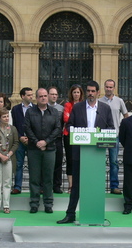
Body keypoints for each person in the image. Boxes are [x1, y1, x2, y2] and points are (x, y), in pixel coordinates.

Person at [57, 81, 114, 224]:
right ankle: (70, 214)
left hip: (97, 154)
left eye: (93, 91)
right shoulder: (78, 107)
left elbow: (110, 128)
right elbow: (69, 125)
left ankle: (94, 214)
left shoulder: (105, 109)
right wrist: (75, 132)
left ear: (98, 93)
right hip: (79, 153)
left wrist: (100, 135)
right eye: (88, 91)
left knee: (95, 185)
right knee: (76, 185)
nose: (90, 93)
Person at [25, 88, 61, 213]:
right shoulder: (30, 112)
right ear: (36, 98)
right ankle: (34, 203)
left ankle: (48, 204)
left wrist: (46, 142)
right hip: (33, 149)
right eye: (41, 96)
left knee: (48, 178)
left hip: (50, 149)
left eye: (45, 96)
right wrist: (37, 142)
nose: (43, 98)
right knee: (34, 178)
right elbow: (27, 128)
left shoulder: (54, 112)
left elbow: (57, 129)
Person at [99, 79, 128, 194]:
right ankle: (99, 184)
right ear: (104, 87)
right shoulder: (99, 101)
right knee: (99, 161)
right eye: (107, 87)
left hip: (114, 136)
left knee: (114, 162)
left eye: (111, 87)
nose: (108, 89)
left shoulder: (119, 101)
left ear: (114, 88)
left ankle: (114, 186)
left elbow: (126, 117)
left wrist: (123, 130)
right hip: (101, 135)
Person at [0, 107, 19, 214]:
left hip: (9, 158)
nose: (6, 118)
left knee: (7, 183)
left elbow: (16, 143)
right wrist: (0, 155)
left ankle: (6, 205)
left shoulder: (13, 129)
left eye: (7, 116)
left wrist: (9, 155)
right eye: (4, 116)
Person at [11, 87, 33, 194]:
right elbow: (14, 125)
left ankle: (33, 186)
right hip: (20, 141)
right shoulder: (15, 109)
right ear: (22, 96)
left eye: (31, 95)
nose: (31, 97)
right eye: (29, 95)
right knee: (18, 164)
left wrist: (31, 137)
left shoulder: (36, 108)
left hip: (32, 141)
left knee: (33, 165)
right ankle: (17, 186)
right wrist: (20, 136)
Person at [62, 84, 84, 193]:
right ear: (71, 94)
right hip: (69, 135)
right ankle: (71, 185)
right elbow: (66, 118)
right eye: (74, 92)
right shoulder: (68, 105)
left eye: (78, 92)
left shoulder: (85, 105)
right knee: (70, 160)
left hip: (83, 136)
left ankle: (80, 184)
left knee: (81, 160)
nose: (76, 94)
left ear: (81, 94)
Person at [47, 86, 65, 194]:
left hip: (58, 139)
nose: (54, 96)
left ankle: (57, 186)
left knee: (58, 163)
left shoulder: (61, 109)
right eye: (52, 94)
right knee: (46, 164)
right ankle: (43, 185)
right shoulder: (43, 107)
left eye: (56, 94)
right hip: (46, 140)